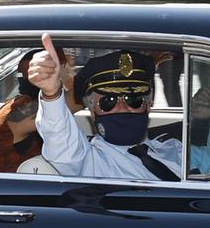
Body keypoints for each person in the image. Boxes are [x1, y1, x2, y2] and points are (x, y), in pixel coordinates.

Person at [26, 36, 184, 180]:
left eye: (133, 99)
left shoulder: (175, 149)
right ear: (93, 112)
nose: (122, 106)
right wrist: (51, 93)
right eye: (108, 101)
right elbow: (58, 136)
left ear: (148, 105)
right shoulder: (87, 160)